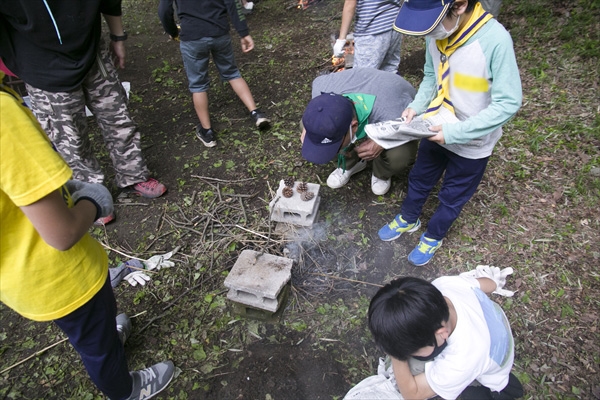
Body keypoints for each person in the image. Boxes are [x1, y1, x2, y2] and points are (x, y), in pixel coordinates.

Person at [0, 72, 175, 400]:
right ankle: (125, 390)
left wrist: (56, 193)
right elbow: (61, 233)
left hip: (19, 276)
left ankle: (108, 332)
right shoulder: (3, 118)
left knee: (91, 327)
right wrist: (91, 203)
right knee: (97, 348)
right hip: (62, 277)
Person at [378, 0, 522, 265]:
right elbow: (432, 76)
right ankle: (409, 218)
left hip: (472, 142)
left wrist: (456, 133)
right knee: (420, 178)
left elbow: (508, 103)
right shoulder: (438, 33)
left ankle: (434, 235)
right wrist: (416, 107)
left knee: (453, 195)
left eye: (432, 26)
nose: (429, 35)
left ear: (459, 6)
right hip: (434, 128)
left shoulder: (495, 40)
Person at [0, 1, 167, 226]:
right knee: (71, 138)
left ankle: (133, 175)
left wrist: (118, 37)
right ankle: (93, 195)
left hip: (91, 49)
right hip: (41, 66)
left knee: (118, 117)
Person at [346, 266, 523, 400]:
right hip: (495, 333)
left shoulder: (462, 361)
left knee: (413, 368)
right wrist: (493, 281)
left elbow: (412, 394)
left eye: (410, 350)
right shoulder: (443, 286)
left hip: (491, 375)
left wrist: (396, 353)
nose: (405, 353)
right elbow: (488, 284)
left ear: (441, 334)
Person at [158, 0, 271, 148]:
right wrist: (243, 32)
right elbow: (233, 4)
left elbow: (164, 10)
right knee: (232, 73)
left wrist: (173, 31)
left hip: (192, 37)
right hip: (219, 33)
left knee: (198, 84)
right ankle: (256, 113)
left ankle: (207, 132)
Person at [300, 68, 418, 195]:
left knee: (400, 154)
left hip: (390, 99)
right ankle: (351, 163)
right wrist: (309, 127)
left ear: (354, 126)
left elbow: (417, 125)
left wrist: (381, 142)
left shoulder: (394, 111)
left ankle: (381, 172)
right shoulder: (321, 87)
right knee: (308, 127)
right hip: (366, 93)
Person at [333, 0, 403, 72]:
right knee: (389, 71)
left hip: (372, 30)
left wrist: (341, 39)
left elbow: (350, 4)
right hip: (395, 24)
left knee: (363, 76)